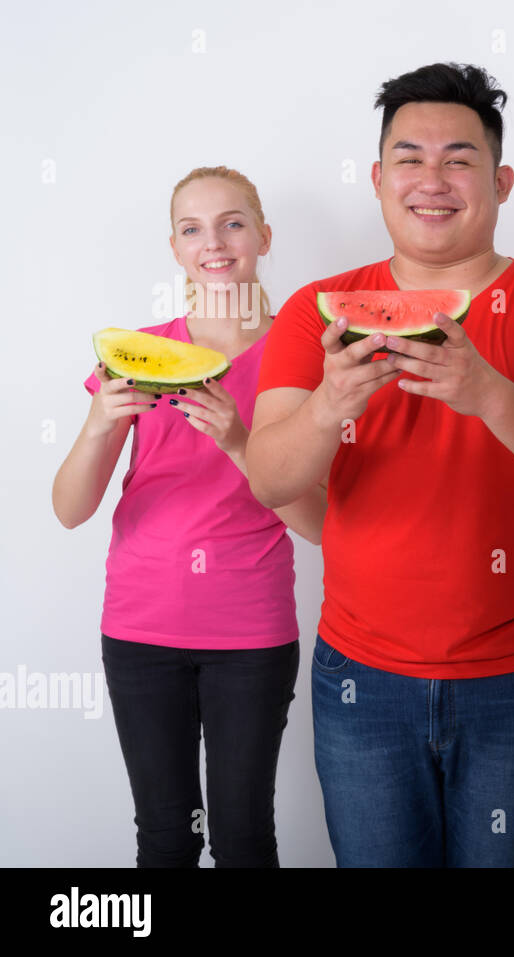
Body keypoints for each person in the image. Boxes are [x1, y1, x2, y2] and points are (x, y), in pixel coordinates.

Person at [244, 62, 514, 868]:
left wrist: (489, 394)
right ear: (379, 179)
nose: (432, 180)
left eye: (460, 159)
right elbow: (270, 477)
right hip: (360, 681)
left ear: (501, 180)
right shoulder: (317, 309)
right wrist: (330, 403)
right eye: (410, 158)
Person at [52, 166, 325, 867]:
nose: (215, 242)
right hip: (140, 627)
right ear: (173, 248)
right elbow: (70, 510)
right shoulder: (137, 355)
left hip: (251, 632)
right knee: (167, 838)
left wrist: (239, 441)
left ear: (264, 235)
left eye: (234, 222)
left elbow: (319, 523)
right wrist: (98, 425)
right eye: (192, 228)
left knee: (241, 838)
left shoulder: (297, 362)